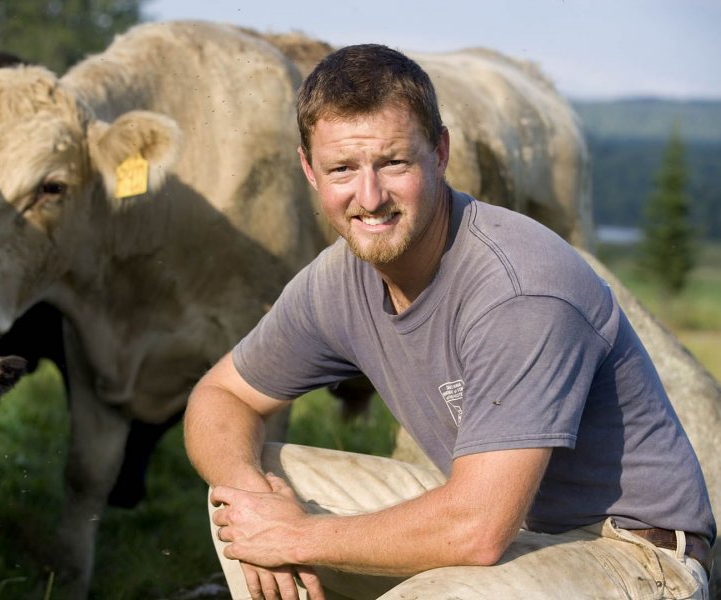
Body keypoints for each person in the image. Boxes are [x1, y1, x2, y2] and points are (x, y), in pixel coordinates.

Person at [182, 43, 715, 600]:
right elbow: (222, 395)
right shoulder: (338, 280)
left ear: (439, 153)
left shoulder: (518, 287)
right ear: (309, 170)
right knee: (246, 494)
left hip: (629, 551)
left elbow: (477, 531)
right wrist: (255, 503)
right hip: (505, 523)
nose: (369, 197)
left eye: (393, 162)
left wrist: (297, 537)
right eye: (343, 168)